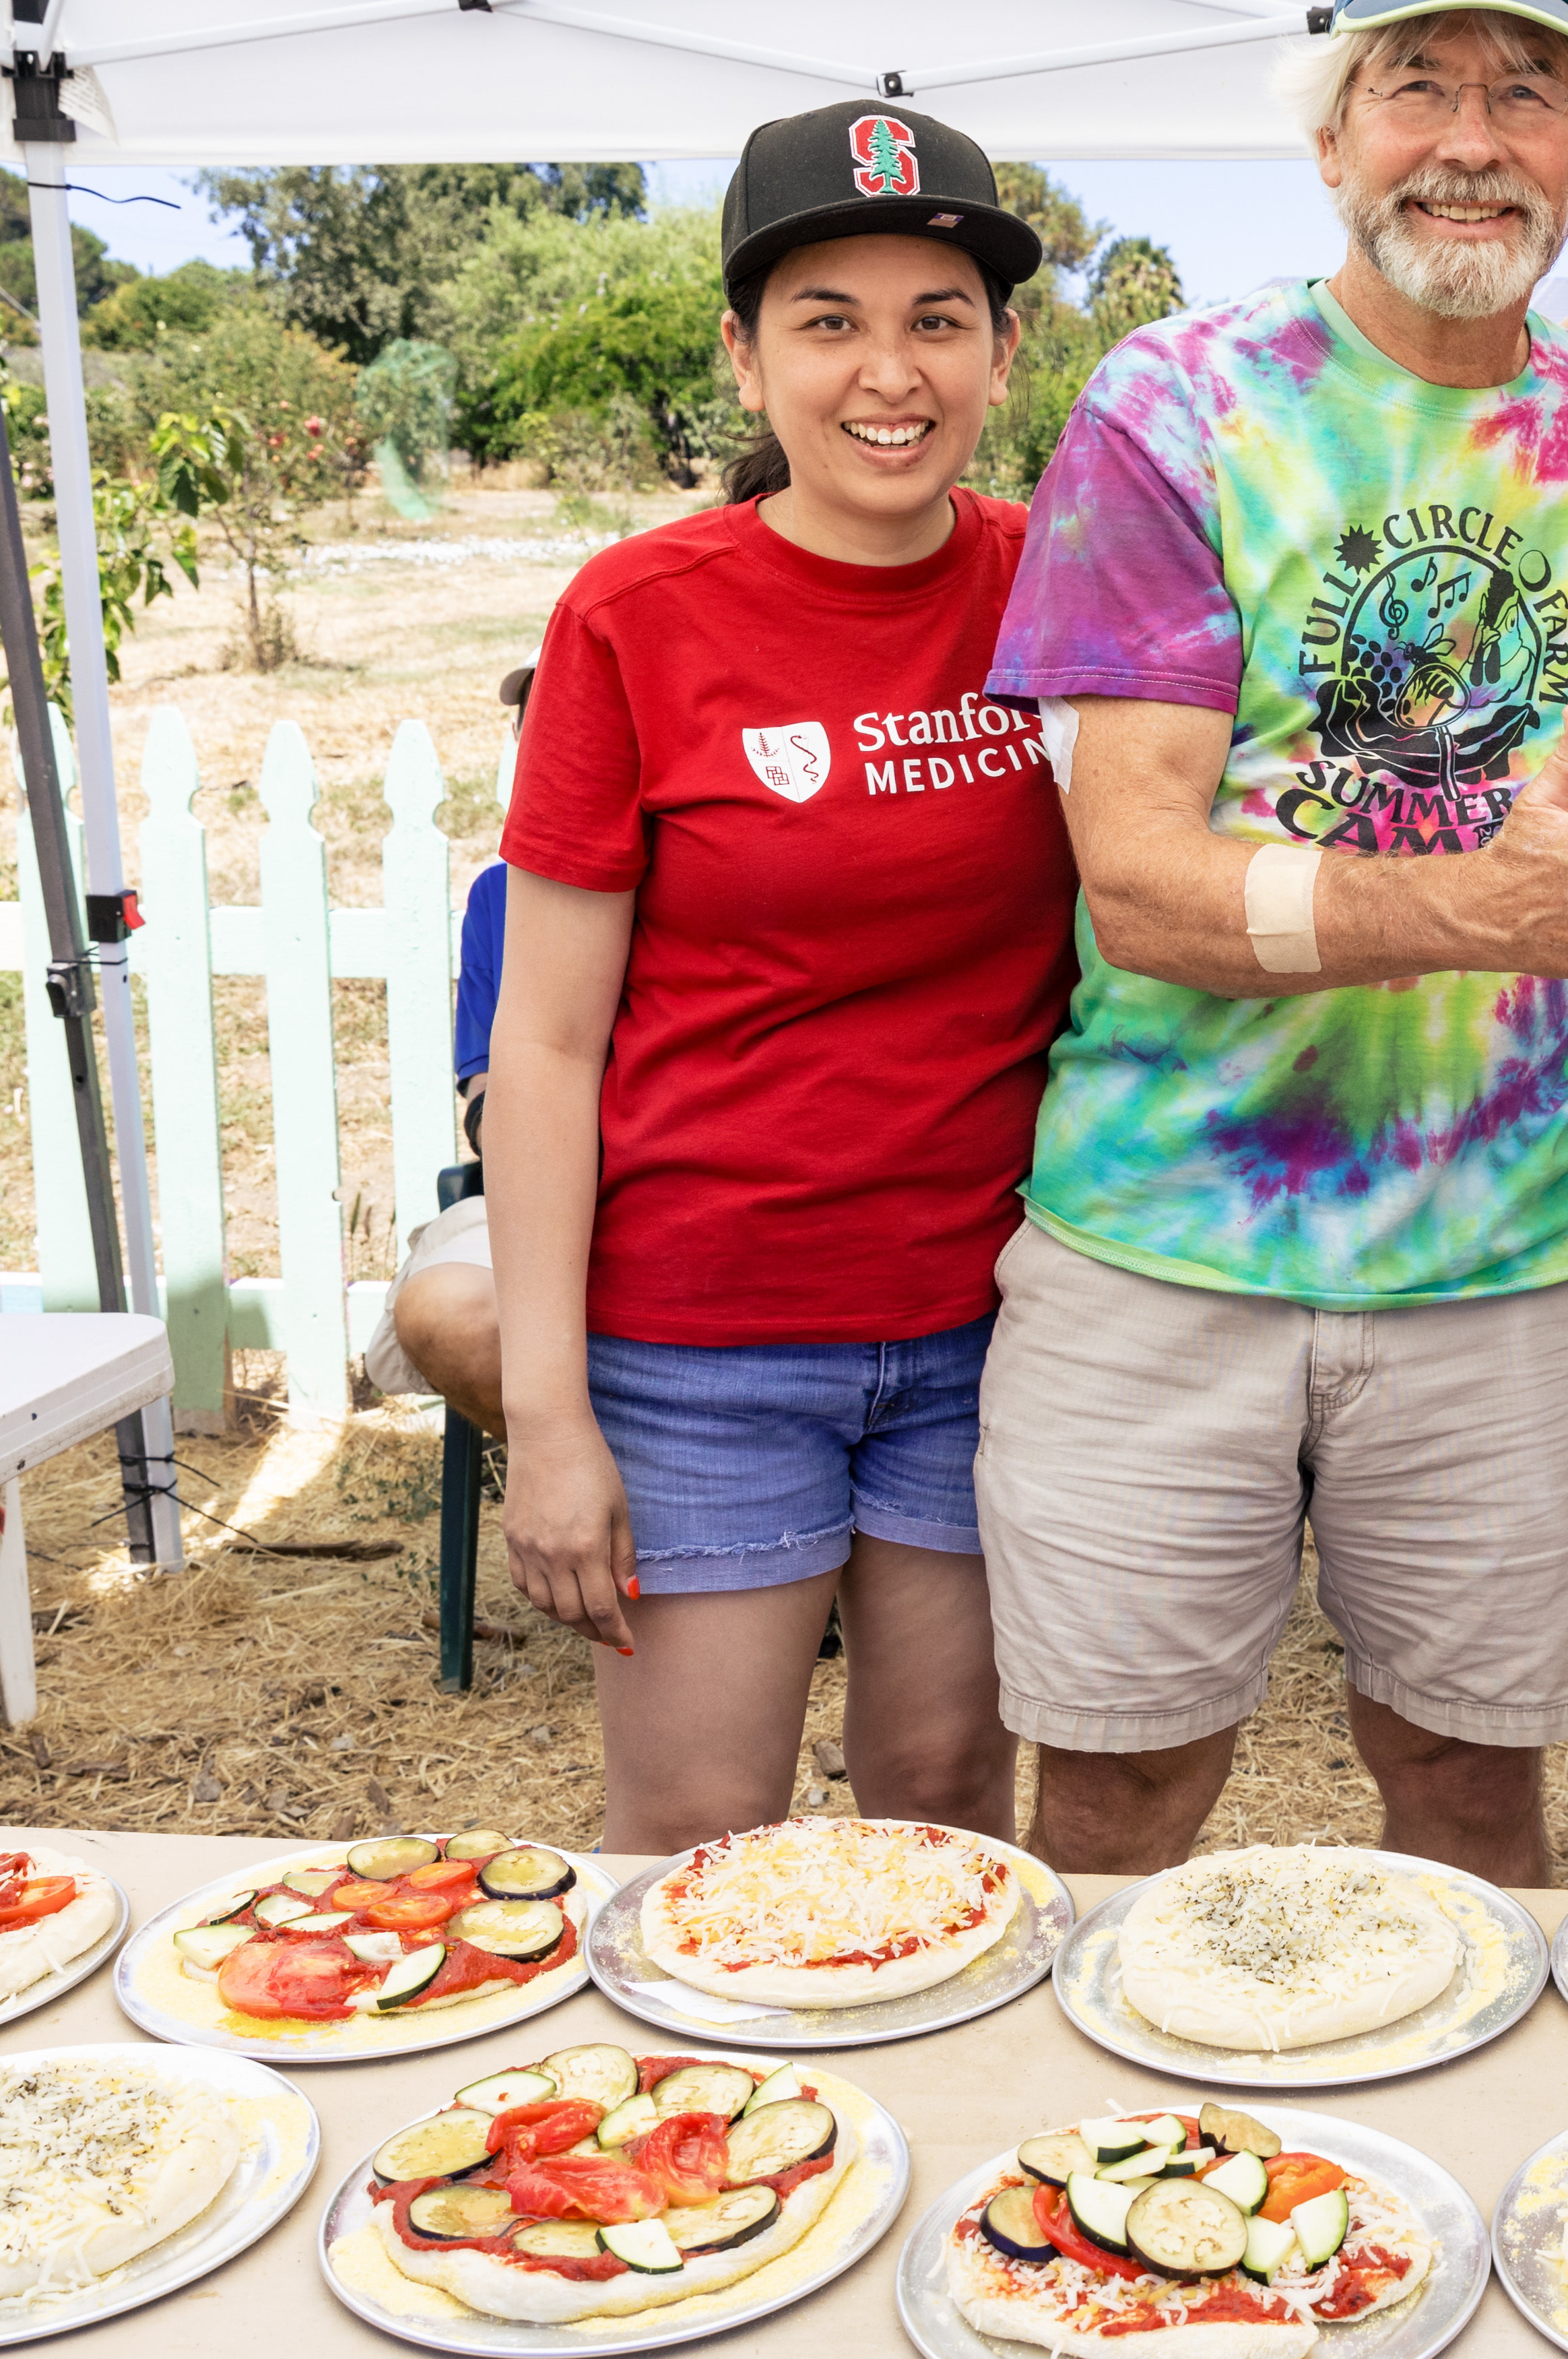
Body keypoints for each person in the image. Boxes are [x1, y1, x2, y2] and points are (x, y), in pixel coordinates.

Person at [976, 0, 1568, 1885]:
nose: (1468, 138)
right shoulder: (1179, 405)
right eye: (1414, 85)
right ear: (1327, 136)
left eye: (1523, 91)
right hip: (1161, 1249)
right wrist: (1468, 910)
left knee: (1473, 1814)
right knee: (1115, 1811)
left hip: (1504, 1264)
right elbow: (1137, 884)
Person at [487, 106, 1079, 1853]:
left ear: (1000, 352)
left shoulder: (1069, 585)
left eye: (937, 318)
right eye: (829, 319)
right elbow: (542, 1039)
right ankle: (684, 2142)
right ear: (747, 361)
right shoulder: (635, 616)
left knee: (953, 1819)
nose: (886, 371)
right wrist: (547, 1414)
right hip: (704, 1339)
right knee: (695, 1836)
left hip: (993, 1321)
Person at [364, 663, 523, 1429]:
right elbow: (484, 1093)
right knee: (447, 1311)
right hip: (542, 1191)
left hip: (710, 1205)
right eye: (534, 727)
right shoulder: (499, 898)